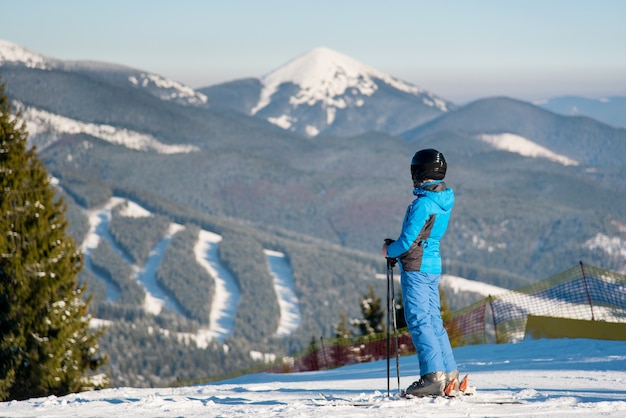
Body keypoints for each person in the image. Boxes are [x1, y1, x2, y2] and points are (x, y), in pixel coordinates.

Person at [381, 148, 459, 397]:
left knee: (418, 320)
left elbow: (406, 242)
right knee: (434, 320)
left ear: (419, 172)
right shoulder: (443, 199)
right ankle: (450, 375)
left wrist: (388, 250)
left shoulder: (423, 204)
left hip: (415, 267)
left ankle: (432, 377)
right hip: (432, 265)